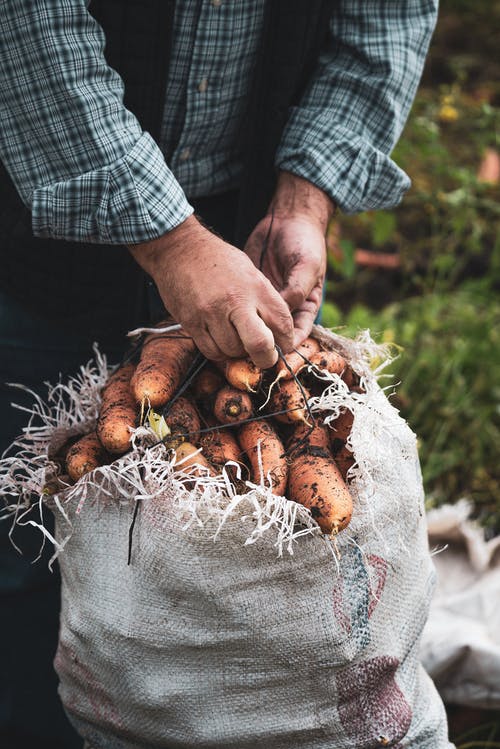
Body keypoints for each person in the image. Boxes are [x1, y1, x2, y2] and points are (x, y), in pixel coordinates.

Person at [0, 1, 439, 746]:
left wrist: (304, 197)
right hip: (38, 218)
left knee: (220, 573)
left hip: (243, 215)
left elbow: (385, 17)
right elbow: (27, 27)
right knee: (26, 545)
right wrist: (172, 245)